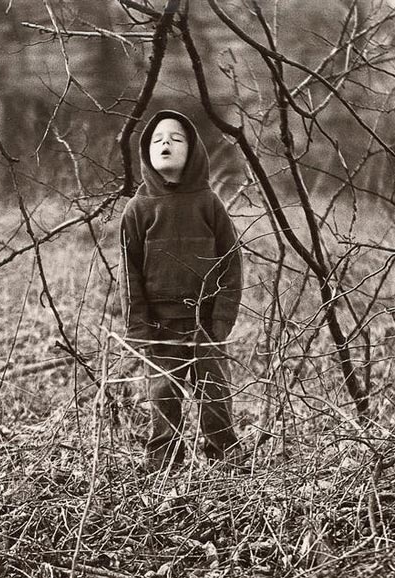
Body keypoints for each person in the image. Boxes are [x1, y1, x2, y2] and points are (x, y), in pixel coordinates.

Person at [119, 110, 244, 471]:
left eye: (176, 138)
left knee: (215, 395)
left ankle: (225, 461)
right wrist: (138, 328)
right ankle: (163, 464)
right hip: (161, 327)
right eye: (157, 140)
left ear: (193, 152)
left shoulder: (209, 204)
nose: (166, 144)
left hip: (204, 323)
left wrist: (221, 320)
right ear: (146, 152)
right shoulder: (138, 209)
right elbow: (129, 276)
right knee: (162, 395)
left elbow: (230, 264)